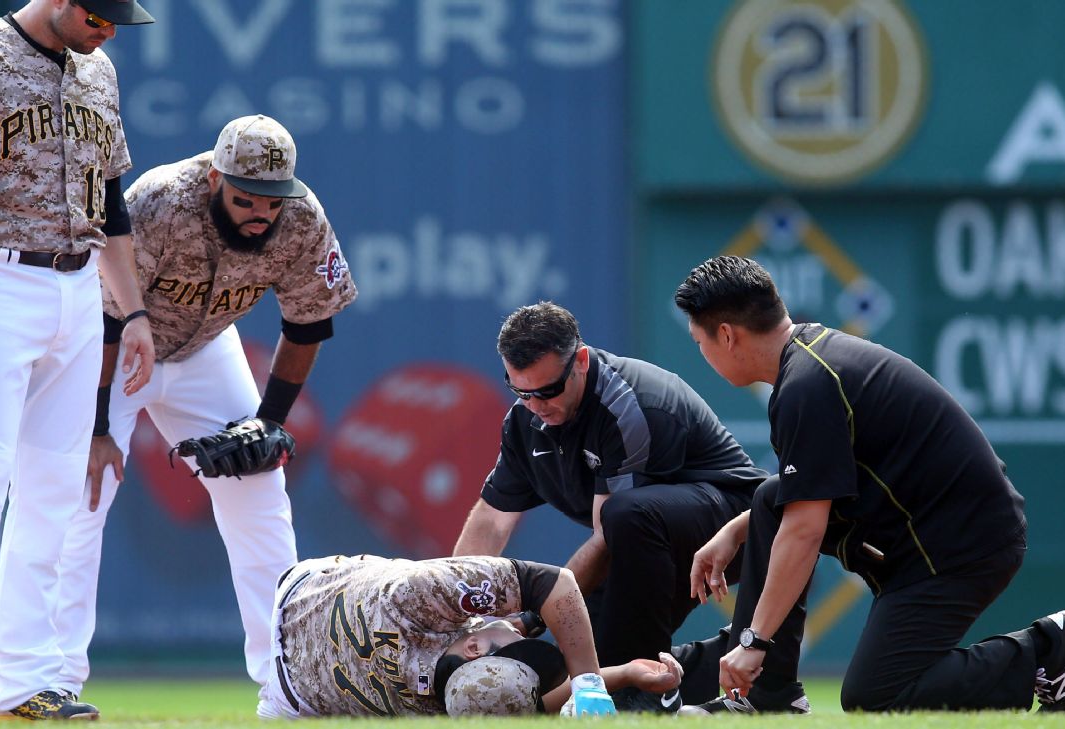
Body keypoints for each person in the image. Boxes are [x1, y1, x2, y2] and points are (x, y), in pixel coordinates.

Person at [672, 255, 1065, 714]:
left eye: (699, 341)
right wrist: (733, 531)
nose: (702, 354)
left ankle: (1043, 651)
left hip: (960, 547)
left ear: (726, 335)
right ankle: (770, 697)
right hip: (934, 535)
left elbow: (805, 530)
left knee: (876, 697)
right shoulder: (810, 362)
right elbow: (798, 503)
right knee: (772, 499)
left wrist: (755, 640)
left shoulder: (807, 385)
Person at [50, 114, 358, 709]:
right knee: (83, 498)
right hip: (110, 344)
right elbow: (109, 315)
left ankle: (289, 684)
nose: (261, 213)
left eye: (272, 200)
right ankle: (55, 681)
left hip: (204, 349)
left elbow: (310, 321)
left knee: (260, 492)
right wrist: (96, 429)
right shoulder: (160, 203)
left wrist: (271, 421)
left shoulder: (299, 218)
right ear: (215, 178)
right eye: (247, 198)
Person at [0, 0, 156, 721]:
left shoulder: (97, 71)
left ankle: (25, 679)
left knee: (52, 488)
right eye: (99, 13)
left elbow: (110, 203)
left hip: (79, 290)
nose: (109, 27)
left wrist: (132, 310)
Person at [452, 301, 773, 673]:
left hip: (739, 525)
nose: (536, 405)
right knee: (581, 670)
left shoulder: (626, 407)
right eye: (521, 392)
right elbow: (491, 521)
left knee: (623, 525)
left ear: (582, 361)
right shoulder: (524, 421)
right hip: (645, 538)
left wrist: (532, 616)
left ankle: (642, 688)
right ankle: (695, 665)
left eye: (549, 390)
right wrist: (454, 613)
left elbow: (607, 537)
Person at [260, 554, 683, 717]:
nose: (520, 636)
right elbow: (534, 705)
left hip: (296, 595)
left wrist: (597, 682)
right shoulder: (445, 709)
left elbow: (556, 582)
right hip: (293, 699)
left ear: (477, 647)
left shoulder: (415, 599)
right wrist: (616, 676)